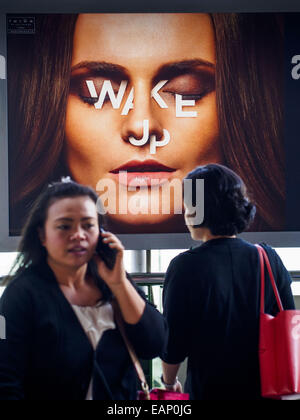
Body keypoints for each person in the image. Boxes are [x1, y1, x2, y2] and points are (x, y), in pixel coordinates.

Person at [7, 13, 284, 234]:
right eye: (100, 93)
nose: (141, 127)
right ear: (48, 108)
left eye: (185, 92)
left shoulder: (259, 264)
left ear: (241, 107)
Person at [0, 180, 167, 400]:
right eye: (64, 226)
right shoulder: (20, 295)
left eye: (88, 225)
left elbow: (154, 343)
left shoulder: (113, 280)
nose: (78, 234)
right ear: (42, 235)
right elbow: (6, 382)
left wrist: (119, 284)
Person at [161, 164, 295, 400]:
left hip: (209, 391)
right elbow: (288, 318)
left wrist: (169, 384)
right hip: (266, 389)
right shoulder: (268, 257)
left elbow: (174, 344)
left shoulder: (185, 266)